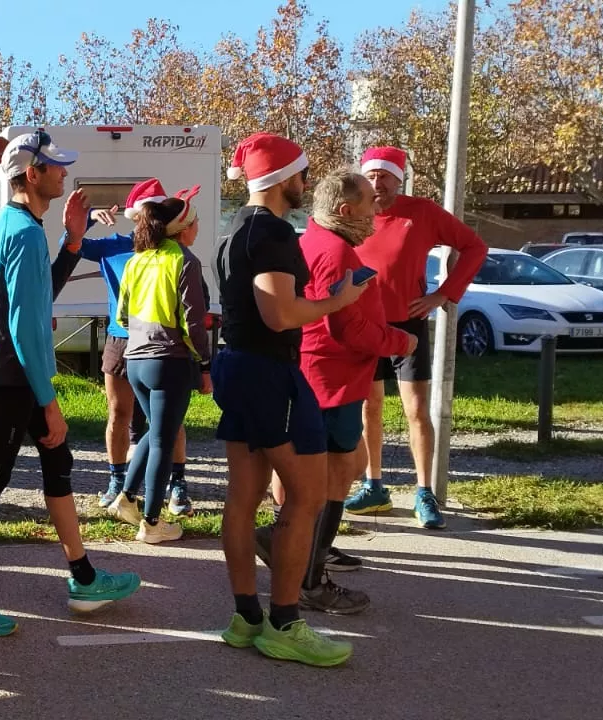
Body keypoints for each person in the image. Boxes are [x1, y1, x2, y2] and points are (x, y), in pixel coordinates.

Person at [0, 130, 140, 637]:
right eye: (56, 167)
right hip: (17, 379)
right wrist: (49, 402)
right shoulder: (25, 233)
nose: (65, 174)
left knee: (57, 463)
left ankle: (83, 575)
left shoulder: (16, 225)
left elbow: (38, 299)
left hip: (12, 374)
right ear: (33, 174)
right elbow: (29, 328)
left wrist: (73, 241)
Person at [212, 132, 365, 667]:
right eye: (301, 174)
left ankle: (246, 617)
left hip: (237, 365)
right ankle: (284, 623)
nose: (306, 183)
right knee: (307, 497)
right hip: (269, 372)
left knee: (243, 496)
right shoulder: (273, 231)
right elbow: (279, 313)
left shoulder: (237, 228)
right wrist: (337, 299)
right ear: (282, 179)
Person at [291, 170, 416, 614]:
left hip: (318, 374)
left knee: (328, 470)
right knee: (337, 474)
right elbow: (347, 327)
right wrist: (401, 341)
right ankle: (309, 578)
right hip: (332, 378)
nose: (376, 210)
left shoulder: (310, 241)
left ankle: (295, 559)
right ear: (346, 211)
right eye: (369, 203)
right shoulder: (338, 252)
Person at [351, 146, 488, 529]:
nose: (378, 183)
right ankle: (373, 486)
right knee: (369, 408)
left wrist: (444, 293)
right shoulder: (354, 211)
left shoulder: (422, 212)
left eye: (386, 176)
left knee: (416, 411)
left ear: (399, 178)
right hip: (365, 327)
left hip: (407, 326)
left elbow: (475, 247)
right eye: (372, 176)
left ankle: (424, 492)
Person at [81, 179, 195, 515]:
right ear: (135, 217)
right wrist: (88, 216)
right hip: (121, 339)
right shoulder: (115, 246)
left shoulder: (172, 252)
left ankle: (177, 484)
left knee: (169, 420)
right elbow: (71, 244)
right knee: (119, 413)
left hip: (164, 342)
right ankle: (118, 481)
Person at [111, 184, 212, 543]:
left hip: (134, 359)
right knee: (164, 442)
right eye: (196, 222)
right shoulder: (184, 260)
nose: (198, 228)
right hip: (168, 361)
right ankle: (152, 524)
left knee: (154, 436)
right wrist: (205, 363)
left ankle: (125, 498)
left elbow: (122, 316)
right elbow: (193, 323)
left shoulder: (137, 259)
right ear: (185, 230)